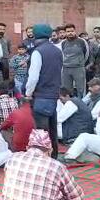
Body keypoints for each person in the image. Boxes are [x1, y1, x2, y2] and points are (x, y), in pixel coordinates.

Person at [0, 129, 86, 200]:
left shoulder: (13, 158)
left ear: (27, 147)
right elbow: (77, 197)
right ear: (50, 151)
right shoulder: (56, 166)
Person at [25, 24, 63, 159]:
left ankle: (43, 159)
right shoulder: (58, 51)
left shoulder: (37, 52)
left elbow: (33, 76)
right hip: (53, 95)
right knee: (52, 130)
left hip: (41, 96)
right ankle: (54, 157)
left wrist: (28, 93)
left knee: (41, 131)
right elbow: (60, 72)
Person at [61, 24, 89, 98]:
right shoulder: (63, 43)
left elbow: (87, 54)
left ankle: (82, 104)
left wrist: (80, 63)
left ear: (75, 31)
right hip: (66, 68)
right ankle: (69, 105)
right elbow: (62, 54)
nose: (70, 33)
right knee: (67, 90)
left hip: (79, 68)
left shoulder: (82, 41)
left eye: (72, 31)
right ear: (65, 33)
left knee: (81, 89)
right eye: (68, 31)